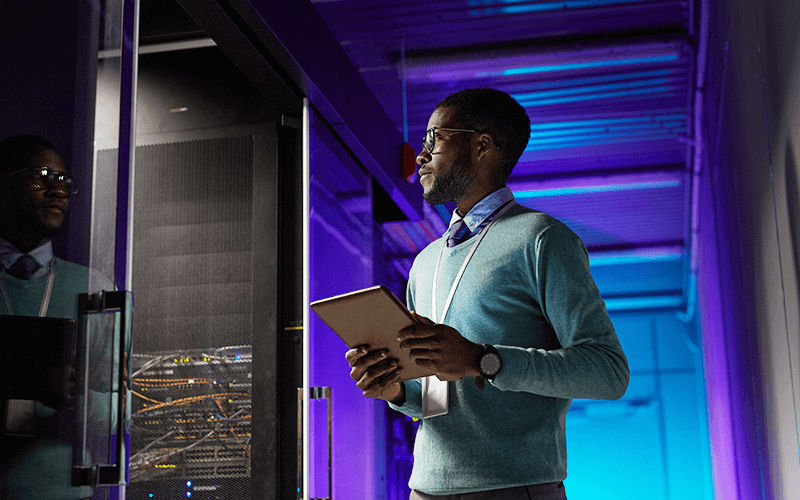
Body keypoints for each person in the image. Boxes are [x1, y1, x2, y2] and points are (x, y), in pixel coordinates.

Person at [346, 89, 630, 499]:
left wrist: (481, 359)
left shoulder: (543, 239)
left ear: (482, 145)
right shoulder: (426, 262)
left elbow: (608, 372)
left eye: (434, 139)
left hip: (515, 489)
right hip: (424, 491)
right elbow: (437, 396)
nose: (421, 156)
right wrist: (392, 388)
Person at [0, 134, 119, 499]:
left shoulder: (93, 288)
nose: (58, 191)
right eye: (42, 176)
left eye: (64, 181)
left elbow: (123, 412)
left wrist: (76, 395)